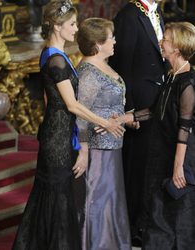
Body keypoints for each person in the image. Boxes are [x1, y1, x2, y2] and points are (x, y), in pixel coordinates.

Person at [12, 1, 124, 250]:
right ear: (56, 26)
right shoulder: (57, 61)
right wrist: (104, 122)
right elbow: (73, 105)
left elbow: (47, 98)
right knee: (58, 197)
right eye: (72, 24)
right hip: (58, 139)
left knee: (56, 196)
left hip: (58, 132)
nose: (76, 29)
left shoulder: (53, 54)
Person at [118, 22, 195, 249]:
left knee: (180, 214)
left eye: (164, 39)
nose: (160, 43)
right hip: (163, 152)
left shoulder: (187, 84)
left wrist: (178, 167)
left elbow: (184, 129)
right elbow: (156, 110)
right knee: (160, 212)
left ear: (176, 48)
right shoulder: (171, 76)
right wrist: (127, 118)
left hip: (183, 156)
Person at [109, 0, 167, 245]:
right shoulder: (129, 15)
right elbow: (122, 66)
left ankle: (146, 221)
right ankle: (132, 225)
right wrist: (129, 108)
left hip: (157, 100)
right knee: (136, 165)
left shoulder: (157, 11)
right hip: (138, 104)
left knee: (151, 164)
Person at [76, 17, 131, 250]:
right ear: (98, 44)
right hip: (97, 151)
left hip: (113, 146)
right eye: (111, 38)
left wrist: (127, 118)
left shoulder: (104, 65)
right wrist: (84, 151)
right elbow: (80, 117)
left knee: (112, 200)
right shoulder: (88, 73)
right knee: (97, 201)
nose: (115, 41)